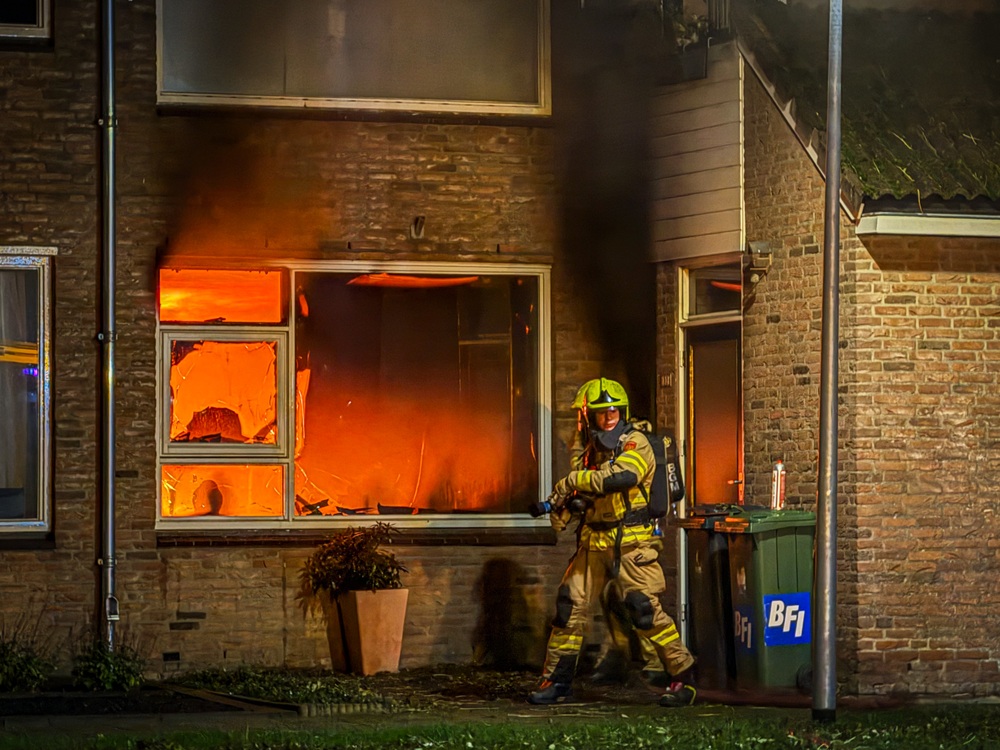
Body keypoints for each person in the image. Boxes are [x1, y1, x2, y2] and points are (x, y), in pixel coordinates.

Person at [529, 377, 696, 708]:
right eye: (601, 413)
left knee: (644, 611)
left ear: (623, 411)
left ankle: (685, 678)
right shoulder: (591, 451)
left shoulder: (636, 444)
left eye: (613, 412)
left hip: (632, 546)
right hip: (593, 542)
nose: (608, 419)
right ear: (588, 417)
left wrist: (574, 481)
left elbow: (624, 477)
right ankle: (557, 681)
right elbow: (589, 493)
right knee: (568, 608)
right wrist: (568, 506)